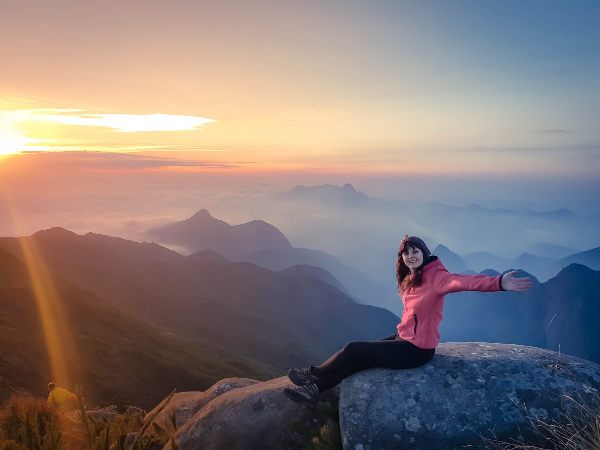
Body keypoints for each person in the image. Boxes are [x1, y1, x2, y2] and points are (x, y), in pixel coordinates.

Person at [283, 235, 533, 405]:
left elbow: (463, 281)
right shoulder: (411, 277)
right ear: (401, 257)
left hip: (416, 351)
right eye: (406, 252)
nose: (411, 256)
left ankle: (312, 375)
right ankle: (314, 390)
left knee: (352, 349)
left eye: (416, 251)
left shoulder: (437, 278)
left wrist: (499, 282)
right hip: (403, 338)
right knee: (358, 359)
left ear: (424, 254)